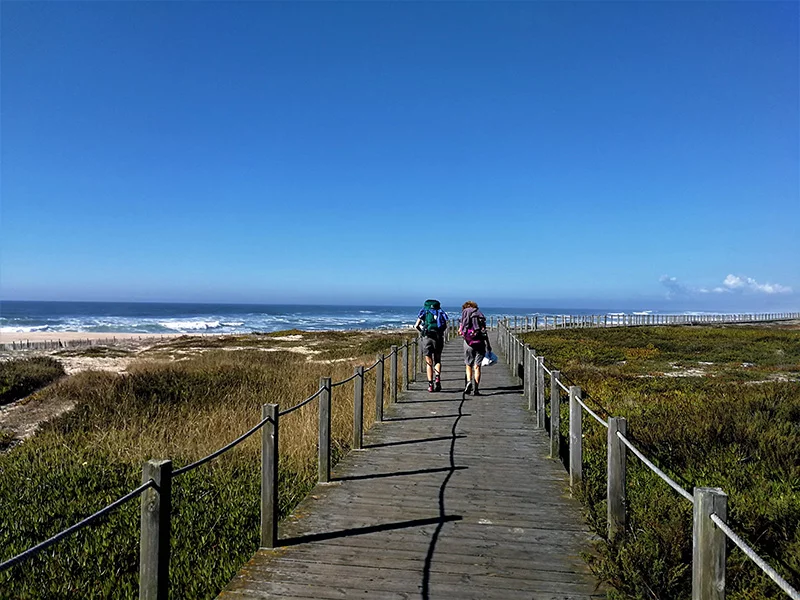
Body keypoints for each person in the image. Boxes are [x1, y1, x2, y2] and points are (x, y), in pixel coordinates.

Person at [414, 299, 449, 392]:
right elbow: (444, 326)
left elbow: (416, 326)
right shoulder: (440, 312)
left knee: (429, 362)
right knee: (437, 360)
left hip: (427, 338)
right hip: (438, 338)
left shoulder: (424, 311)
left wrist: (422, 332)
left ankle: (430, 385)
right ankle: (437, 378)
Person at [459, 300, 491, 395]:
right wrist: (488, 345)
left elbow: (461, 332)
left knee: (468, 364)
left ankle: (469, 382)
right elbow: (484, 332)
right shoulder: (480, 316)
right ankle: (476, 389)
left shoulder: (465, 316)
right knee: (477, 366)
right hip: (480, 343)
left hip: (468, 343)